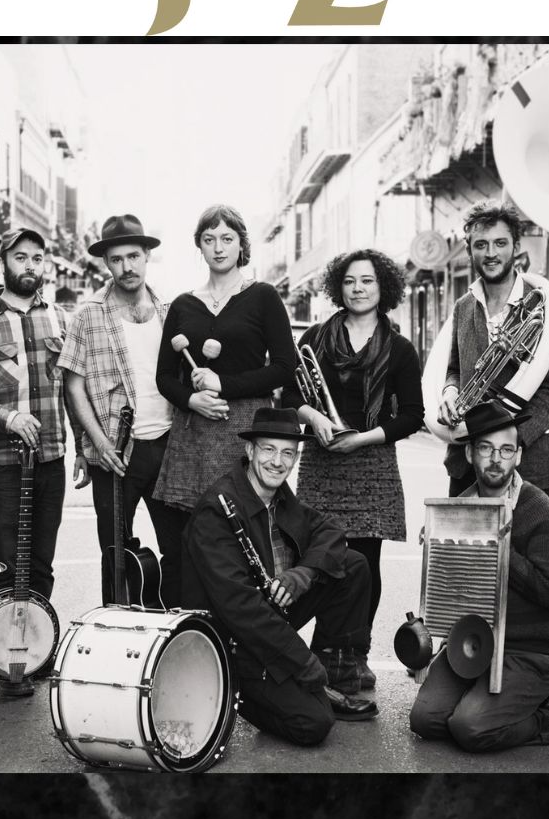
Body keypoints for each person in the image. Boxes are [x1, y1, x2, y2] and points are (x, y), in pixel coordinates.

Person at [182, 410, 378, 748]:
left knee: (354, 565)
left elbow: (330, 532)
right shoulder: (218, 509)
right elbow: (241, 609)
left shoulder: (280, 496)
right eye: (269, 450)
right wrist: (302, 663)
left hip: (271, 612)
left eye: (287, 452)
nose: (278, 461)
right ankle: (234, 692)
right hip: (233, 640)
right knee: (313, 724)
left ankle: (332, 679)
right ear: (250, 451)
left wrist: (301, 575)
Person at [288, 248, 425, 694]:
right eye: (350, 281)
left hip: (372, 462)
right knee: (319, 559)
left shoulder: (400, 349)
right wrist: (315, 418)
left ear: (383, 287)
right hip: (322, 463)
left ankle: (354, 653)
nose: (359, 289)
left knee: (365, 563)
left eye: (367, 281)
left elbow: (412, 414)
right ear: (338, 288)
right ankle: (325, 649)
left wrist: (362, 438)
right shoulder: (314, 339)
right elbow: (289, 396)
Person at [409, 420, 549, 754]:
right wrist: (440, 549)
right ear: (471, 453)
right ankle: (488, 701)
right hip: (472, 645)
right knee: (425, 721)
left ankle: (545, 717)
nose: (495, 459)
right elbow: (454, 592)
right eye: (486, 448)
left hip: (529, 651)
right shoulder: (459, 507)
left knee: (469, 728)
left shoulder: (536, 508)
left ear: (517, 456)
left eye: (505, 450)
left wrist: (503, 550)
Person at [59, 213, 187, 606]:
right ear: (106, 263)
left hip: (167, 447)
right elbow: (73, 385)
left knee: (180, 549)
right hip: (115, 451)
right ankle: (117, 630)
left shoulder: (170, 311)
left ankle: (172, 632)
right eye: (117, 259)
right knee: (115, 553)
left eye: (134, 256)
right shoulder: (88, 315)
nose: (126, 267)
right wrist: (97, 444)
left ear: (147, 256)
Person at [0, 227, 67, 698]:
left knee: (42, 562)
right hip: (4, 464)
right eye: (21, 257)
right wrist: (5, 416)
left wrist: (82, 451)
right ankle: (2, 659)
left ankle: (36, 651)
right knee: (6, 563)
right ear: (3, 262)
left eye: (37, 258)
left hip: (51, 459)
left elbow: (71, 389)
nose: (30, 265)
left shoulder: (59, 320)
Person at [154, 204, 296, 513]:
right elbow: (163, 376)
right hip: (194, 433)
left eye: (227, 238)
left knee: (246, 524)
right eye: (209, 239)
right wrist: (192, 401)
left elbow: (286, 367)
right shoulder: (182, 305)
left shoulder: (264, 296)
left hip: (246, 427)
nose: (218, 248)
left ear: (242, 244)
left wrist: (224, 384)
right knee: (193, 532)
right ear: (199, 246)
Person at [436, 203, 549, 496]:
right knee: (460, 541)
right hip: (468, 458)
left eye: (500, 243)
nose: (491, 253)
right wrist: (450, 392)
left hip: (530, 459)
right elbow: (454, 369)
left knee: (525, 543)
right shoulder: (463, 307)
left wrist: (510, 439)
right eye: (481, 245)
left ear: (516, 246)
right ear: (469, 249)